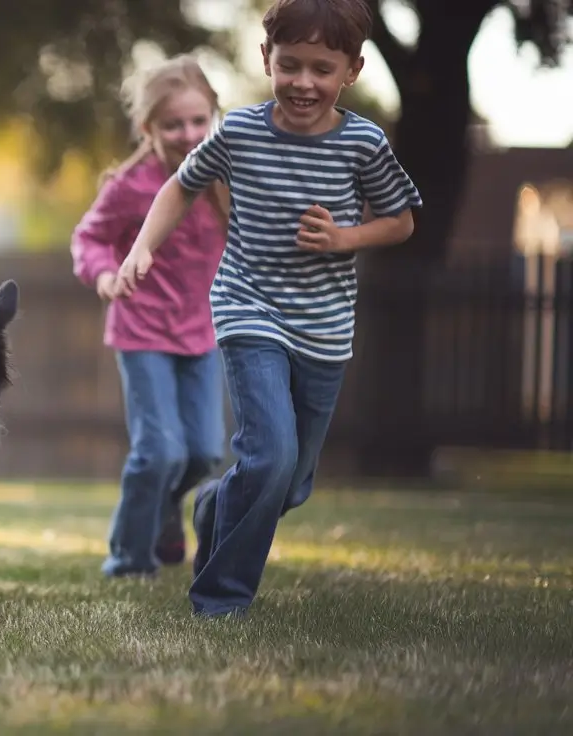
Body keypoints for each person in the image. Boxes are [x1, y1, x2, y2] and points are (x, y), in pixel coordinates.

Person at [116, 0, 422, 617]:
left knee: (288, 483)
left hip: (325, 329)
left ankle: (210, 507)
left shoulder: (363, 143)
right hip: (248, 310)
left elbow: (402, 221)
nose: (303, 82)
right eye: (290, 65)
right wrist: (142, 249)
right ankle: (221, 597)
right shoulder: (240, 131)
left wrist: (345, 238)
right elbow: (181, 185)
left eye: (321, 68)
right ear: (266, 60)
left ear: (352, 71)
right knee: (271, 456)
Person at [71, 54, 230, 579]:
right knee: (159, 451)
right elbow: (88, 237)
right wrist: (104, 276)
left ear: (214, 115)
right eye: (172, 124)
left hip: (204, 333)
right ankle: (128, 558)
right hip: (141, 332)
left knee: (204, 453)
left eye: (198, 120)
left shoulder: (225, 178)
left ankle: (162, 511)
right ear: (148, 128)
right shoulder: (130, 186)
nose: (188, 134)